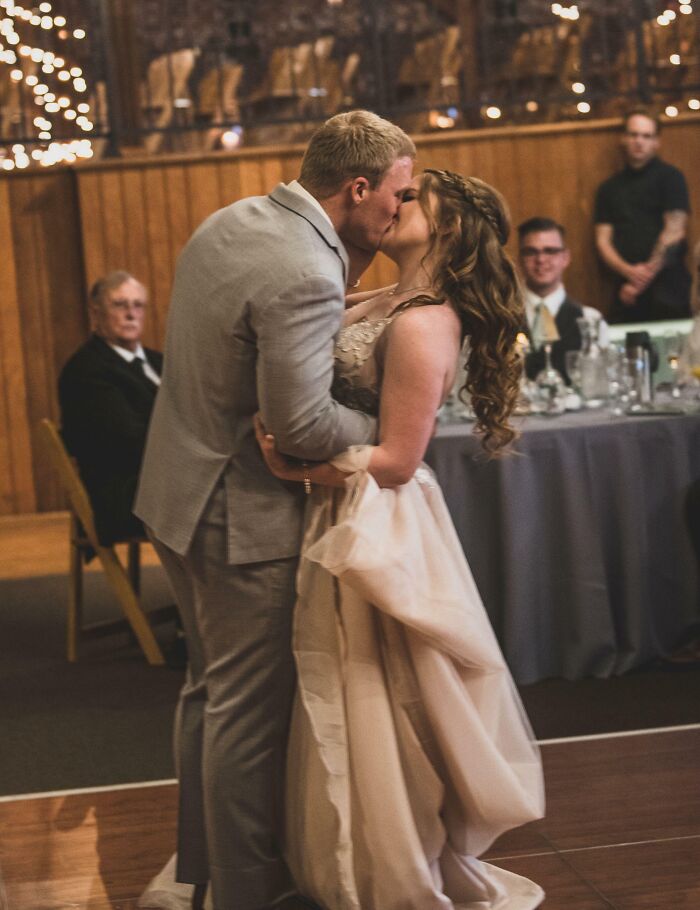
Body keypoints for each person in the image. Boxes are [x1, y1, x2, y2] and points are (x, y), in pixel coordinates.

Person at [134, 110, 416, 910]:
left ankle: (207, 872)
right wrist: (392, 430)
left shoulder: (234, 219)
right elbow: (299, 427)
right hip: (237, 516)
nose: (401, 208)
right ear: (356, 187)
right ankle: (249, 893)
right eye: (397, 193)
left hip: (177, 491)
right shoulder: (304, 265)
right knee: (247, 716)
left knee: (208, 696)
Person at [255, 169, 545, 909]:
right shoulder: (384, 299)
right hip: (342, 506)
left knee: (381, 689)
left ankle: (395, 867)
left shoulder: (423, 321)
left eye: (413, 198)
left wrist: (296, 466)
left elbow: (397, 460)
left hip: (379, 514)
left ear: (446, 229)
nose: (394, 202)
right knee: (348, 681)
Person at [59, 271, 162, 547]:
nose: (131, 313)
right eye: (119, 305)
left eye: (137, 305)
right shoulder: (87, 371)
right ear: (96, 313)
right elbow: (128, 440)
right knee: (223, 500)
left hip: (163, 481)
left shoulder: (160, 361)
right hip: (124, 496)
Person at [594, 108, 691, 324]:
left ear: (657, 142)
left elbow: (674, 231)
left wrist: (639, 282)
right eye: (634, 134)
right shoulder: (608, 188)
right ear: (623, 138)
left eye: (646, 136)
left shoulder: (671, 178)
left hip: (668, 288)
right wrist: (629, 272)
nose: (639, 141)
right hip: (625, 289)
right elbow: (602, 240)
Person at [518, 216, 608, 383]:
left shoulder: (590, 320)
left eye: (550, 251)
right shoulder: (500, 319)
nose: (541, 260)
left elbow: (598, 386)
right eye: (531, 252)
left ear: (565, 257)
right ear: (520, 258)